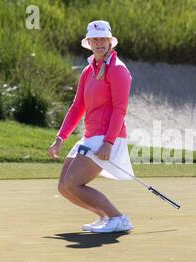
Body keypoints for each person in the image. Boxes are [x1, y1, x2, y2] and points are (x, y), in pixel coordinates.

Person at [48, 20, 134, 233]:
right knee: (64, 187)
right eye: (94, 39)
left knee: (73, 183)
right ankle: (106, 217)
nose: (99, 43)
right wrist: (61, 138)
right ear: (89, 42)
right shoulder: (88, 70)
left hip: (107, 136)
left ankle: (118, 218)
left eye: (102, 38)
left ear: (109, 41)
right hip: (91, 136)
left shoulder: (118, 69)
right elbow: (78, 106)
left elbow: (119, 110)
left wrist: (108, 142)